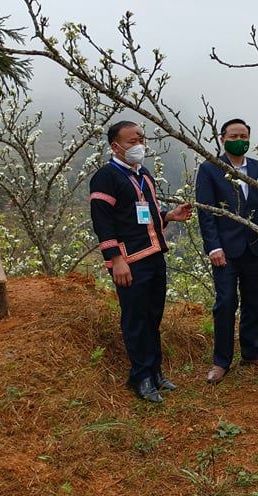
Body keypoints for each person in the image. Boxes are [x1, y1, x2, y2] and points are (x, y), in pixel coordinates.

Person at [89, 121, 192, 403]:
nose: (139, 145)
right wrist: (115, 259)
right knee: (135, 319)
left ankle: (155, 372)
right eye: (132, 141)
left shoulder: (143, 174)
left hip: (154, 255)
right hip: (129, 261)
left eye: (141, 139)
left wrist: (170, 216)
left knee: (152, 316)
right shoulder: (105, 178)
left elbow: (145, 211)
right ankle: (141, 377)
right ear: (115, 146)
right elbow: (103, 222)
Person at [196, 118, 258, 384]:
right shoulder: (210, 169)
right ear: (222, 138)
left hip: (255, 246)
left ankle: (251, 351)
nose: (240, 139)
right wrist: (213, 246)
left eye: (244, 135)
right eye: (234, 134)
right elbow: (206, 211)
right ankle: (221, 361)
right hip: (225, 248)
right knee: (225, 303)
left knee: (255, 301)